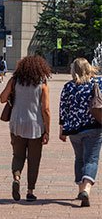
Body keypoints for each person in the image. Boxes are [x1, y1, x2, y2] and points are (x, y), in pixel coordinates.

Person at [0, 55, 51, 201]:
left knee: (18, 155)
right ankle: (30, 191)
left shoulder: (15, 80)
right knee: (34, 159)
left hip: (16, 124)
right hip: (36, 125)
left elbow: (2, 98)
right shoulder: (43, 83)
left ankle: (16, 177)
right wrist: (47, 130)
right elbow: (46, 109)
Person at [59, 58, 102, 207]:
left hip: (74, 131)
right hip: (93, 128)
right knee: (91, 160)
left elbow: (63, 110)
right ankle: (87, 189)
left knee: (79, 159)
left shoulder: (68, 87)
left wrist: (62, 130)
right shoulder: (97, 84)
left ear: (73, 70)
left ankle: (80, 190)